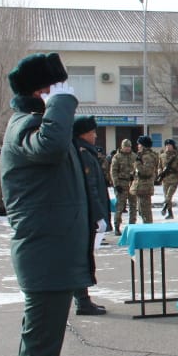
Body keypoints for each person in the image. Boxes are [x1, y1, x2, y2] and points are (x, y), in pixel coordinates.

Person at [2, 52, 95, 356]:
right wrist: (60, 104)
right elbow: (52, 144)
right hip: (45, 258)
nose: (65, 95)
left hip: (52, 255)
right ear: (41, 92)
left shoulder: (37, 125)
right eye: (56, 89)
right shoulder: (28, 127)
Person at [72, 116, 110, 316]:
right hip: (85, 215)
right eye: (93, 132)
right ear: (83, 134)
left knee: (82, 257)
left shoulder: (84, 151)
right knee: (81, 258)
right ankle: (82, 301)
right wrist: (97, 215)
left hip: (85, 214)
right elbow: (90, 187)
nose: (95, 135)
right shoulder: (83, 153)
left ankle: (83, 299)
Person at [109, 139, 136, 233]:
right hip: (121, 183)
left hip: (132, 184)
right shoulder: (117, 157)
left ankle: (132, 226)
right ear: (122, 147)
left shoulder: (134, 156)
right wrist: (116, 184)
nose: (128, 149)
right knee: (120, 206)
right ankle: (117, 226)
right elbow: (113, 171)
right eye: (126, 147)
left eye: (129, 147)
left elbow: (138, 168)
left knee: (133, 206)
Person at [159, 139, 178, 220]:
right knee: (167, 197)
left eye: (170, 145)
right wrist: (160, 173)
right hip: (165, 179)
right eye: (167, 145)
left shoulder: (177, 156)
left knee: (169, 196)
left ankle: (164, 208)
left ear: (173, 146)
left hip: (174, 179)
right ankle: (170, 213)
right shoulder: (162, 156)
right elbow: (159, 166)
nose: (168, 147)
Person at [132, 136, 158, 224]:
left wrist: (137, 163)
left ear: (144, 146)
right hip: (141, 187)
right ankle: (146, 227)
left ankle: (148, 230)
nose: (138, 146)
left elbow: (146, 172)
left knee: (145, 211)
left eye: (139, 144)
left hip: (145, 187)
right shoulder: (142, 155)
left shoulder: (147, 157)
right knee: (141, 210)